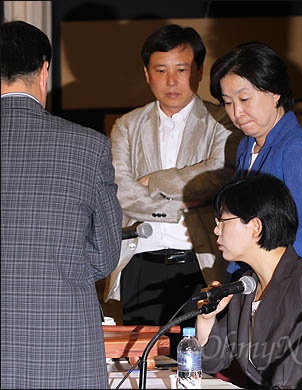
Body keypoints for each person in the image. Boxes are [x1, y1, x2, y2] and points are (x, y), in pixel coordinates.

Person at [1, 21, 122, 388]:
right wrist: (60, 263)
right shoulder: (86, 147)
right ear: (44, 70)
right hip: (60, 336)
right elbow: (105, 254)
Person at [103, 24, 242, 329]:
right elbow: (120, 191)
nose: (171, 81)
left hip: (200, 262)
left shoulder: (221, 120)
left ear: (200, 70)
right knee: (142, 360)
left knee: (196, 360)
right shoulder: (126, 125)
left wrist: (154, 181)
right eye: (161, 70)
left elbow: (216, 175)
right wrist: (182, 206)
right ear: (146, 73)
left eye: (181, 69)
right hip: (140, 260)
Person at [196, 173, 302, 389]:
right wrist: (207, 318)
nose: (216, 230)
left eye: (223, 221)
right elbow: (212, 360)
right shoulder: (245, 285)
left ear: (255, 226)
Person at [209, 42, 302, 278]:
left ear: (275, 93)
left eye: (244, 99)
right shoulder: (247, 144)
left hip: (289, 285)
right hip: (253, 279)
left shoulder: (297, 150)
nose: (236, 113)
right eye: (228, 103)